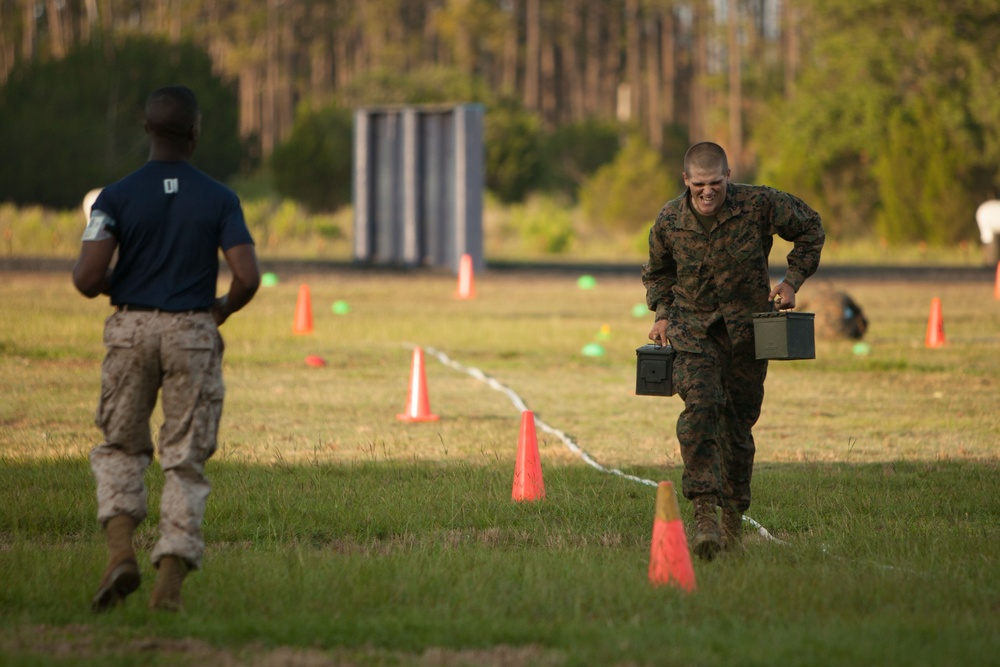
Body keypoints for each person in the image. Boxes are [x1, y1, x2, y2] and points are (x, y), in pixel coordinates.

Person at [72, 85, 260, 611]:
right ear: (195, 133)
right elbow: (247, 275)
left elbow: (87, 279)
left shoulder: (114, 197)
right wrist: (220, 309)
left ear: (147, 129)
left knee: (122, 448)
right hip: (192, 333)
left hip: (130, 330)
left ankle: (119, 556)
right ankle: (169, 588)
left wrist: (124, 278)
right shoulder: (220, 198)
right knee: (185, 459)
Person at [642, 142, 824, 561]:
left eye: (716, 183)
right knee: (701, 407)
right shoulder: (670, 219)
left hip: (747, 335)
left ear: (729, 176)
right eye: (699, 185)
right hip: (692, 332)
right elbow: (658, 271)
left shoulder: (760, 203)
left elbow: (811, 228)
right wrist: (663, 313)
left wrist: (792, 280)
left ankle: (733, 522)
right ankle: (704, 511)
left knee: (737, 430)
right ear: (686, 181)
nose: (708, 193)